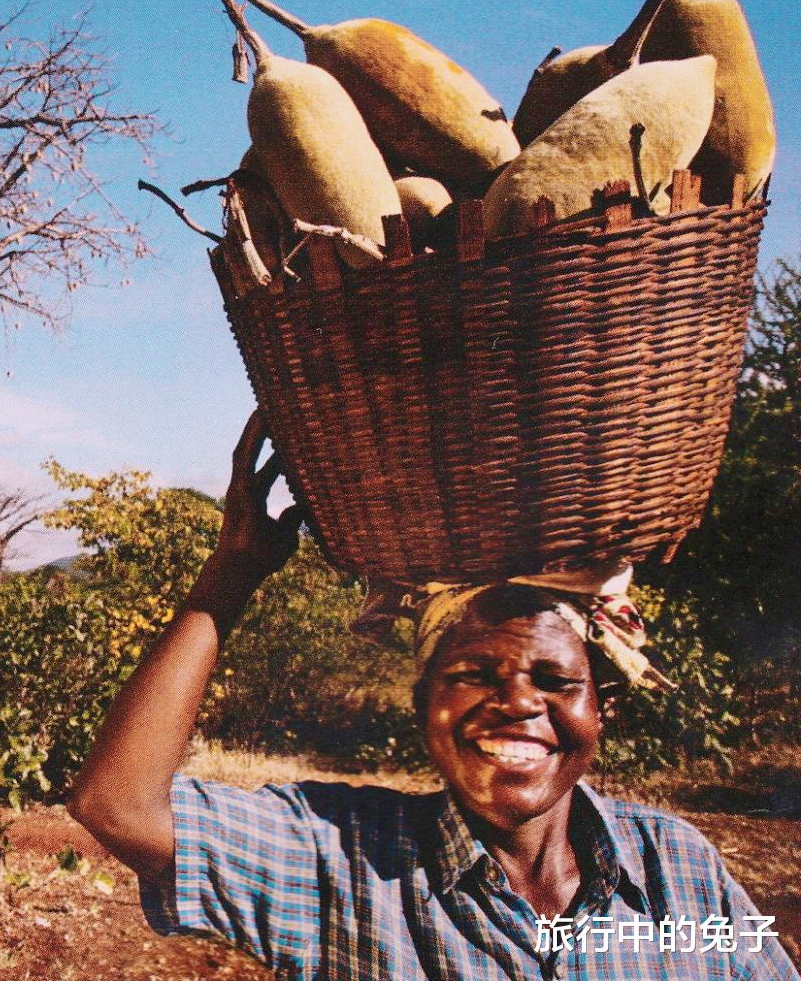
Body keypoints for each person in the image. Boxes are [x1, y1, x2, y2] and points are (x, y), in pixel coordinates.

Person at [69, 411, 799, 980]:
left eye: (555, 681)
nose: (516, 701)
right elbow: (118, 806)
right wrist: (230, 578)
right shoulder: (341, 862)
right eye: (473, 674)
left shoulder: (677, 872)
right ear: (422, 706)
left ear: (603, 710)